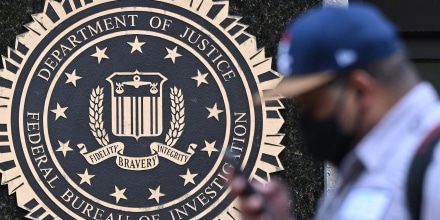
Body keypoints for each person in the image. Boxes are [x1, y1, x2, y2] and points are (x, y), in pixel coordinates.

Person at [230, 3, 440, 220]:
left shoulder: (434, 169)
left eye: (312, 105)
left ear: (360, 90)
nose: (305, 119)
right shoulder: (359, 168)